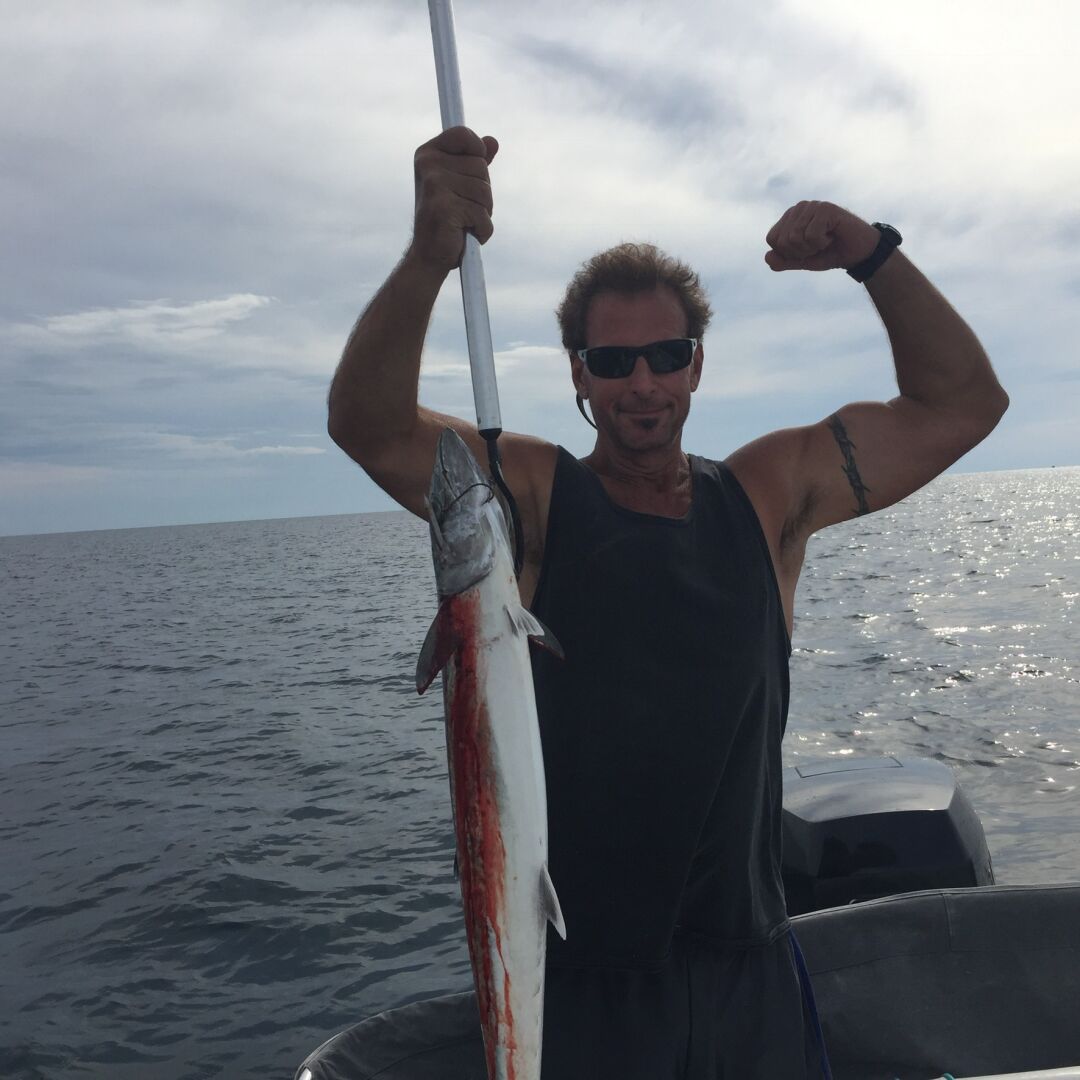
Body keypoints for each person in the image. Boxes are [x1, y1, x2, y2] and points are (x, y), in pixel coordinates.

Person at [327, 126, 1008, 1078]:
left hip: (752, 972)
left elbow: (963, 405)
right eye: (612, 363)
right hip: (586, 987)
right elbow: (368, 425)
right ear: (578, 373)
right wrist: (428, 256)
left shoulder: (769, 495)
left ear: (696, 363)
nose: (641, 384)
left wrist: (871, 253)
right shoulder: (532, 497)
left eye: (666, 354)